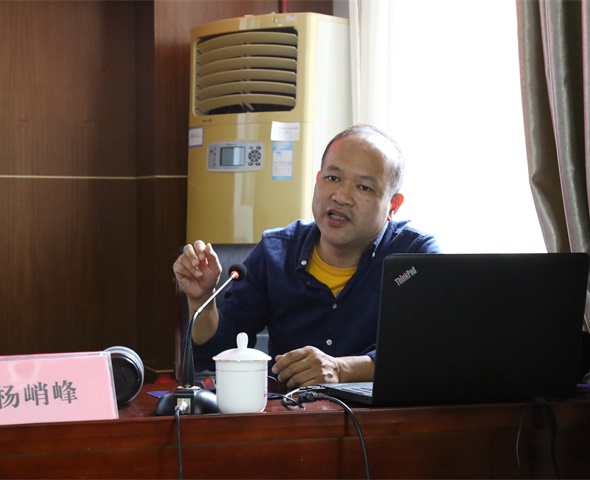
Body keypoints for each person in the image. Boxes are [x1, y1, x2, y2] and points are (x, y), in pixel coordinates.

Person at [173, 124, 441, 389]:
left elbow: (429, 353)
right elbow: (218, 352)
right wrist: (202, 299)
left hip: (385, 415)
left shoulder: (415, 257)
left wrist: (341, 370)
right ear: (317, 179)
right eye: (332, 178)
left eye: (363, 187)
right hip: (293, 411)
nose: (341, 197)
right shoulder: (275, 253)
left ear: (393, 205)